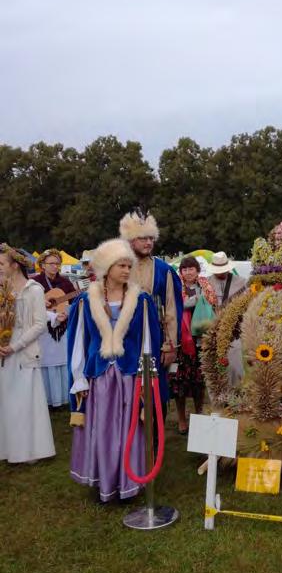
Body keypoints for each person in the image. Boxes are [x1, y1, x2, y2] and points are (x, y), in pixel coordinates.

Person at [68, 238, 161, 502]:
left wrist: (147, 379)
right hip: (100, 377)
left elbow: (147, 342)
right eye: (121, 265)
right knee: (103, 429)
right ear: (107, 267)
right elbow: (79, 341)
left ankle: (128, 482)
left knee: (128, 430)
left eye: (128, 266)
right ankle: (104, 480)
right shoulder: (87, 301)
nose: (126, 270)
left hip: (130, 375)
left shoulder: (140, 300)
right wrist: (79, 378)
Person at [119, 210, 183, 406]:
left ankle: (156, 436)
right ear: (131, 241)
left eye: (151, 238)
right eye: (142, 238)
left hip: (154, 341)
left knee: (156, 392)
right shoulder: (117, 267)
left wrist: (170, 346)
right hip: (123, 340)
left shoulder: (164, 270)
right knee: (125, 391)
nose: (148, 243)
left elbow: (172, 309)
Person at [0, 244, 56, 464]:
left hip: (24, 352)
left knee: (24, 402)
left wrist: (16, 345)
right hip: (4, 350)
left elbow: (40, 325)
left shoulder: (34, 289)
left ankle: (29, 451)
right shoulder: (2, 289)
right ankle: (8, 448)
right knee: (7, 402)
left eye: (2, 264)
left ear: (15, 265)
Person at [170, 256, 216, 434]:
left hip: (200, 341)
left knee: (199, 382)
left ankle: (199, 415)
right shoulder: (175, 287)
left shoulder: (205, 285)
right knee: (179, 382)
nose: (188, 272)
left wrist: (195, 301)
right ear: (180, 272)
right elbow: (176, 306)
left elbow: (212, 303)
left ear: (197, 270)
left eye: (191, 268)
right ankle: (182, 419)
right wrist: (197, 300)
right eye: (185, 269)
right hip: (181, 341)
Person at [32, 248, 77, 408]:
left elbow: (75, 302)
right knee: (47, 360)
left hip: (63, 326)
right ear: (43, 265)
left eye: (57, 264)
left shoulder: (65, 282)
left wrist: (67, 311)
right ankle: (49, 400)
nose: (55, 267)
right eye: (51, 264)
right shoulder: (35, 283)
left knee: (63, 359)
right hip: (43, 330)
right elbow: (30, 304)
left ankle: (64, 398)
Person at [207, 252, 246, 386]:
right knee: (214, 369)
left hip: (234, 331)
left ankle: (237, 397)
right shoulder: (206, 284)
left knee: (235, 366)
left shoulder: (241, 282)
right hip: (212, 331)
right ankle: (218, 399)